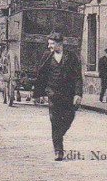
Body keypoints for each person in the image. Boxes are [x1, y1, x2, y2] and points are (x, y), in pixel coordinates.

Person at [32, 31, 83, 161]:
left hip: (68, 94)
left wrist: (78, 94)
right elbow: (41, 75)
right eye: (48, 44)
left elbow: (78, 77)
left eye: (51, 44)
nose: (49, 46)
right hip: (53, 94)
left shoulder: (71, 57)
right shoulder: (47, 56)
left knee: (69, 118)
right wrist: (39, 94)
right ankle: (58, 151)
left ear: (59, 44)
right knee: (55, 121)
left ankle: (58, 136)